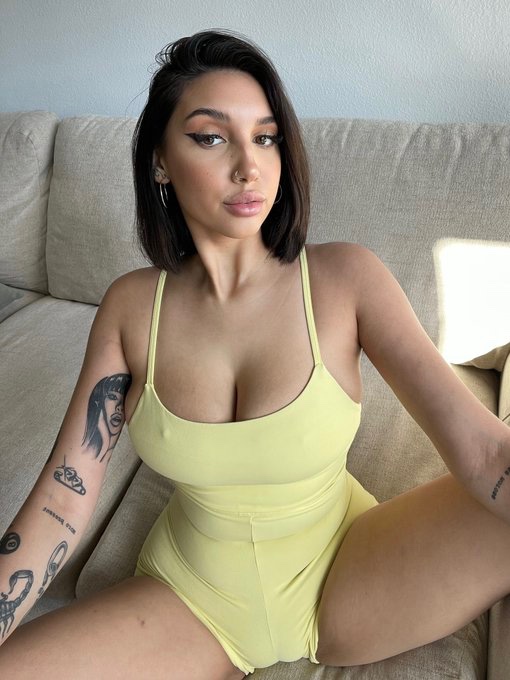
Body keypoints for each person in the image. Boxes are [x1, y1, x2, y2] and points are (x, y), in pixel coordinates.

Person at [1, 28, 510, 680]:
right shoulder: (130, 307)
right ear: (160, 161)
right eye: (211, 137)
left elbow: (484, 453)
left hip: (350, 569)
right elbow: (63, 498)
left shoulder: (346, 278)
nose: (249, 166)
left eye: (265, 138)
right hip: (189, 599)